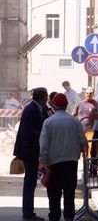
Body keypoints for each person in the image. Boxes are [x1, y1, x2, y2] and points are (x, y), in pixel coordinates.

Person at [39, 93, 87, 221]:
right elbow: (83, 141)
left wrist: (43, 162)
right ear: (66, 105)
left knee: (54, 192)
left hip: (53, 162)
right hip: (71, 162)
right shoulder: (75, 121)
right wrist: (80, 152)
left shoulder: (48, 122)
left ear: (53, 105)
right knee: (69, 191)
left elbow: (43, 144)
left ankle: (54, 216)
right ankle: (68, 217)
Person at [13, 87, 48, 220]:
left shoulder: (38, 108)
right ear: (43, 97)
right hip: (29, 151)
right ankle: (27, 212)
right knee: (30, 181)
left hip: (33, 150)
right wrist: (43, 136)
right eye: (46, 97)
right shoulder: (31, 109)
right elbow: (28, 132)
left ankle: (29, 211)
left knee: (31, 181)